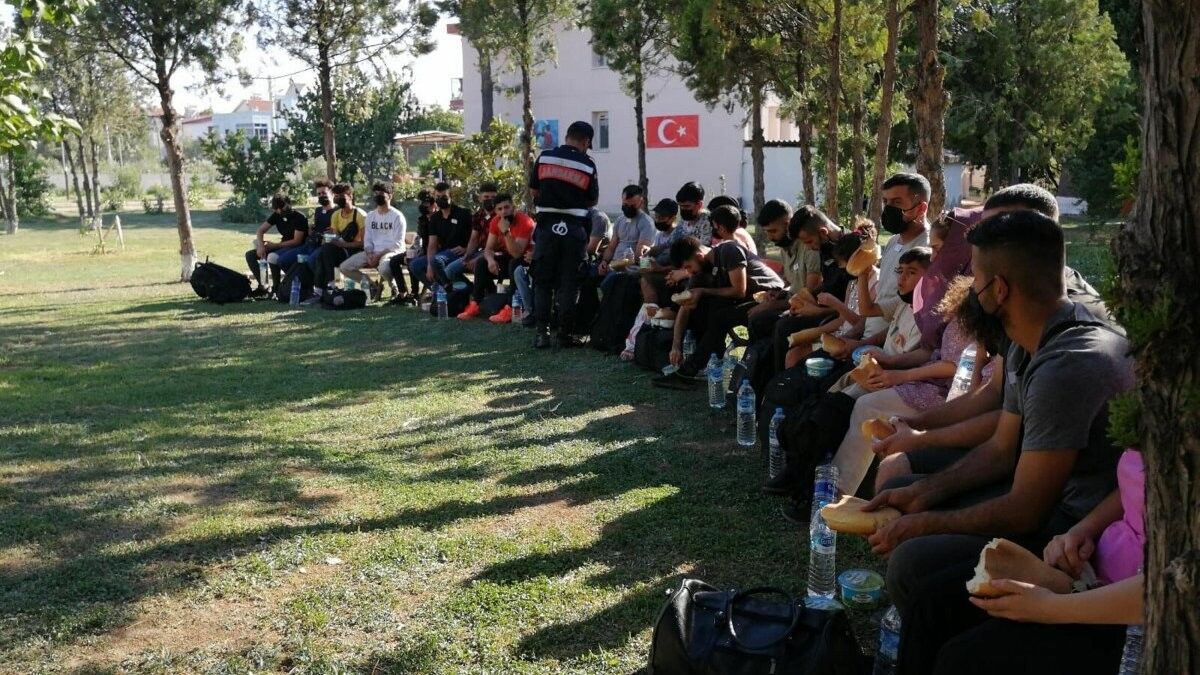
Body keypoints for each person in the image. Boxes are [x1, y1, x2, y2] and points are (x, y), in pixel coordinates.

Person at [862, 210, 1134, 674]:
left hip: (1074, 533)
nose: (968, 288)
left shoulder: (1067, 365)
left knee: (916, 567)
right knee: (915, 540)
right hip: (1047, 503)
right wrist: (922, 494)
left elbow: (1027, 510)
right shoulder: (1029, 336)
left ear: (999, 289)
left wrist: (924, 522)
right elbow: (1000, 448)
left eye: (975, 277)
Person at [869, 183, 1118, 487]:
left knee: (901, 477)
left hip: (1041, 469)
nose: (985, 240)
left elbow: (1010, 442)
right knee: (896, 470)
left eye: (1001, 228)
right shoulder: (1011, 297)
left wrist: (922, 439)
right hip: (1009, 447)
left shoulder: (1050, 314)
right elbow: (993, 393)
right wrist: (913, 424)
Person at [924, 449, 1144, 674]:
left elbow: (1160, 591)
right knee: (934, 601)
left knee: (962, 659)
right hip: (1091, 574)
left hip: (1129, 621)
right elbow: (1136, 487)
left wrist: (1048, 607)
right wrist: (1083, 530)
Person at [652, 236, 785, 390]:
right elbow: (685, 308)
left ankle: (690, 371)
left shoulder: (729, 251)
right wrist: (676, 346)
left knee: (721, 316)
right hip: (747, 302)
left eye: (688, 267)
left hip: (770, 298)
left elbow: (739, 290)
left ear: (699, 256)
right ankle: (703, 364)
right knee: (701, 308)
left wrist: (703, 291)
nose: (689, 272)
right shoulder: (700, 272)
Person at [528, 120, 600, 349]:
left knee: (543, 282)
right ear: (586, 142)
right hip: (574, 230)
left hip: (547, 228)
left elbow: (533, 190)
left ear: (567, 136)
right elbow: (592, 200)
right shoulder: (588, 165)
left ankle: (542, 334)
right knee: (570, 283)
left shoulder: (544, 158)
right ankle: (565, 335)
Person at [858, 173, 931, 322]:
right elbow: (881, 296)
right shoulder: (893, 241)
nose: (888, 209)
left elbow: (902, 313)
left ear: (921, 209)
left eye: (897, 202)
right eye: (886, 202)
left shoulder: (928, 249)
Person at [458, 193, 535, 322]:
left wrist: (506, 232)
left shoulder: (524, 221)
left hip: (527, 260)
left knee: (514, 263)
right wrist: (490, 260)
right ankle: (475, 304)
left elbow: (517, 253)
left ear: (513, 207)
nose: (504, 211)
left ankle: (510, 308)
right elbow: (488, 248)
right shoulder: (495, 221)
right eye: (500, 209)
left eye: (507, 207)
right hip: (510, 258)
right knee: (482, 262)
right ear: (496, 211)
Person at [339, 181, 407, 300]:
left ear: (390, 196)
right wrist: (370, 253)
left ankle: (394, 287)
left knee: (384, 268)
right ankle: (373, 285)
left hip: (392, 252)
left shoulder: (397, 216)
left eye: (381, 193)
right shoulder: (370, 216)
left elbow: (398, 243)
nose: (377, 196)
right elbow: (368, 239)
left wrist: (378, 255)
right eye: (376, 193)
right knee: (345, 267)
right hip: (372, 252)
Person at [304, 183, 366, 304]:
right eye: (336, 196)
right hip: (340, 251)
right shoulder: (336, 215)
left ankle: (325, 289)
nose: (338, 199)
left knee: (325, 251)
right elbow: (336, 237)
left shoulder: (360, 215)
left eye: (341, 196)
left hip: (356, 251)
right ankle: (325, 289)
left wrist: (341, 244)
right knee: (324, 250)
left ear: (350, 196)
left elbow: (363, 244)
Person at [245, 194, 309, 295]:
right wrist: (261, 246)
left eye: (282, 206)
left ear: (289, 204)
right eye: (277, 208)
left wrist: (275, 245)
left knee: (272, 256)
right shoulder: (277, 215)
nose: (280, 210)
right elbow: (260, 230)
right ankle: (264, 285)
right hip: (281, 245)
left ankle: (276, 288)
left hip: (295, 247)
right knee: (250, 255)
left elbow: (297, 241)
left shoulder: (299, 217)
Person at [413, 182, 472, 290]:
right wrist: (430, 266)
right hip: (443, 254)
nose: (440, 199)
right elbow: (432, 244)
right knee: (415, 265)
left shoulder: (464, 214)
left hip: (460, 253)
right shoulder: (435, 218)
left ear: (451, 196)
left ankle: (463, 289)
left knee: (437, 261)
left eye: (444, 197)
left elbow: (476, 236)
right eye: (438, 197)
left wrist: (467, 249)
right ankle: (440, 290)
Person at [598, 185, 655, 287]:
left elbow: (642, 255)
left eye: (632, 205)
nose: (628, 208)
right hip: (614, 265)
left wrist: (626, 264)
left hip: (632, 269)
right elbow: (611, 247)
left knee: (609, 283)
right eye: (625, 204)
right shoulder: (620, 220)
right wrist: (604, 262)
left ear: (641, 203)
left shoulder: (646, 223)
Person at [445, 182, 499, 287]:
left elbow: (498, 244)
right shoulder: (478, 215)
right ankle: (470, 289)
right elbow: (474, 239)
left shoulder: (500, 215)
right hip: (480, 252)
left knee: (478, 265)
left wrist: (477, 259)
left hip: (495, 253)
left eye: (493, 197)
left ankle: (485, 292)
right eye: (486, 197)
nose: (490, 200)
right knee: (450, 270)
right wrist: (467, 255)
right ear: (480, 198)